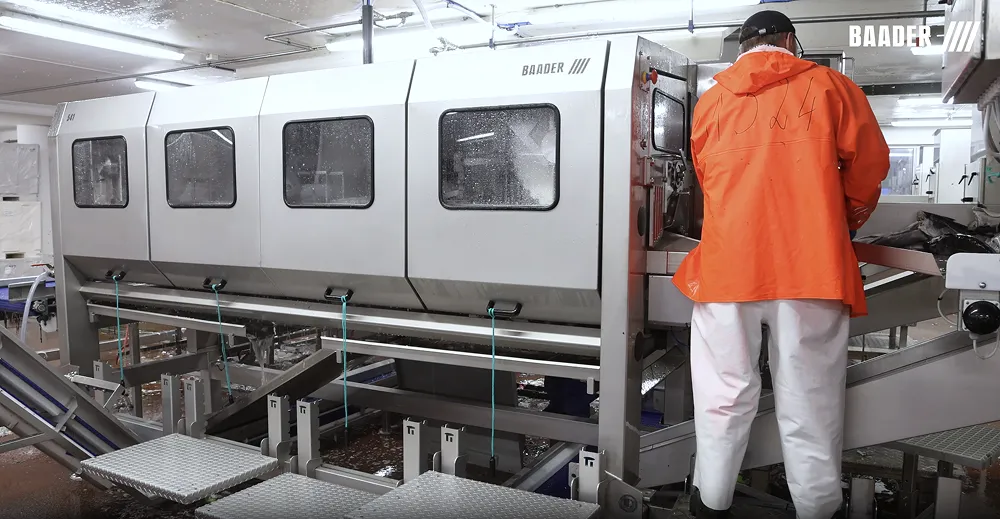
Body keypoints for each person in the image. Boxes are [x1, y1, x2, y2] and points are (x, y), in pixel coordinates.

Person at [672, 9, 889, 519]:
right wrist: (844, 218)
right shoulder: (833, 88)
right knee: (809, 398)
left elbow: (707, 178)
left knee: (723, 396)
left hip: (728, 270)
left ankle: (712, 503)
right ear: (792, 41)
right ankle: (818, 508)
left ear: (741, 47)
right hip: (811, 268)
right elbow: (870, 167)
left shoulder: (711, 101)